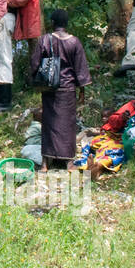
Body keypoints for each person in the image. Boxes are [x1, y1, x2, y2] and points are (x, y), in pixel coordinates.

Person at [30, 9, 92, 169]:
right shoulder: (75, 42)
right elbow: (81, 69)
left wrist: (35, 79)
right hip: (68, 89)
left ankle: (45, 164)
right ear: (66, 24)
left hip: (50, 88)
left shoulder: (45, 40)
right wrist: (82, 91)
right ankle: (69, 162)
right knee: (67, 124)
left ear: (52, 23)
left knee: (49, 124)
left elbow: (35, 63)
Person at [73, 85, 135, 179]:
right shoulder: (133, 106)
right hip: (115, 136)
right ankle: (93, 165)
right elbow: (112, 121)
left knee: (115, 153)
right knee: (104, 146)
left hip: (130, 144)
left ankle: (98, 167)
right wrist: (122, 118)